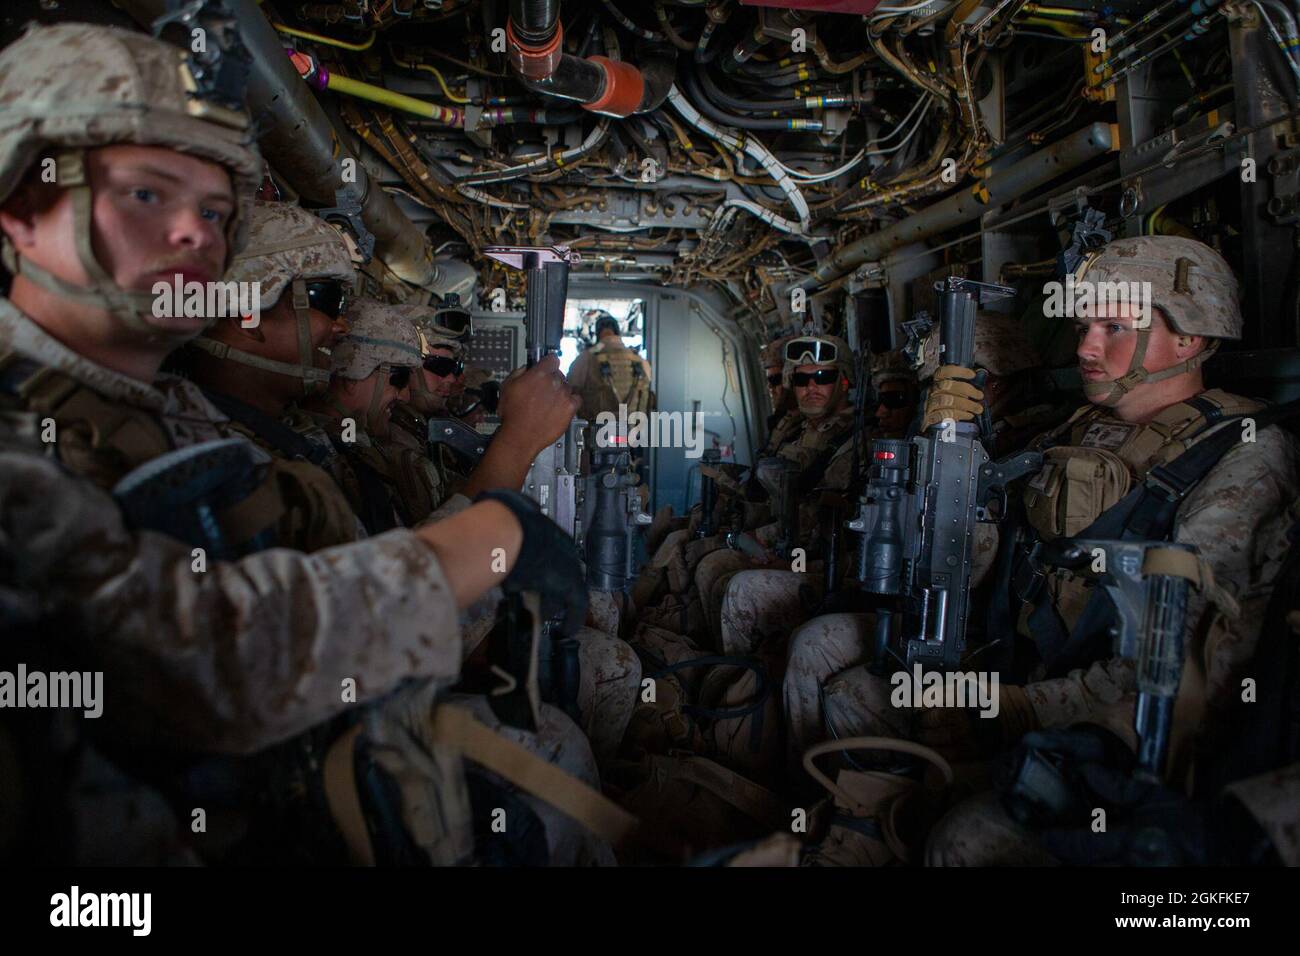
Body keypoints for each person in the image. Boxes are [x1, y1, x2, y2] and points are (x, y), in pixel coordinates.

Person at [0, 22, 616, 866]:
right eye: (146, 195)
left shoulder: (172, 409)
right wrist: (480, 537)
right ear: (22, 207)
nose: (195, 235)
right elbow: (171, 666)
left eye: (214, 210)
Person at [788, 237, 1300, 863]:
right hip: (1012, 659)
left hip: (1107, 719)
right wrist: (946, 449)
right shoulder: (1073, 430)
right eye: (1086, 324)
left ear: (1190, 338)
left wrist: (1013, 710)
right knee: (838, 680)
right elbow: (980, 557)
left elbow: (1188, 668)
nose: (1086, 345)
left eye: (1114, 325)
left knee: (965, 840)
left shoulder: (1242, 454)